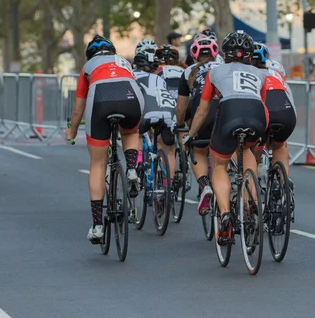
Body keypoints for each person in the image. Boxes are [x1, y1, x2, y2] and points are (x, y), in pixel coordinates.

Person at [183, 30, 269, 246]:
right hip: (256, 116)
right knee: (248, 152)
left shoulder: (215, 72)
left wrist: (191, 135)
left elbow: (203, 111)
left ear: (224, 53)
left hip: (229, 113)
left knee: (219, 164)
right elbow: (263, 105)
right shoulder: (261, 74)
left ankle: (225, 217)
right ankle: (253, 207)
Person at [65, 34, 144, 243]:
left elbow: (78, 107)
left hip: (100, 100)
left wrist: (71, 132)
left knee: (98, 164)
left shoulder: (88, 67)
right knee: (131, 132)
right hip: (130, 98)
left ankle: (98, 225)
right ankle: (132, 168)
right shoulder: (124, 62)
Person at [175, 35, 222, 214]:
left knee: (198, 152)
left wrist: (180, 125)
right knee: (227, 153)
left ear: (193, 55)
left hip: (202, 113)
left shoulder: (188, 72)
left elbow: (181, 107)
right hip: (225, 112)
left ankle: (205, 186)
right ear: (215, 53)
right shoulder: (224, 67)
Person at [251, 42, 297, 219]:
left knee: (252, 151)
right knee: (280, 146)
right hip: (286, 114)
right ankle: (284, 185)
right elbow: (290, 99)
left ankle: (253, 191)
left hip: (263, 113)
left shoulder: (246, 73)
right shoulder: (277, 73)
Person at [132, 38, 177, 192]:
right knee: (169, 149)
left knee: (135, 135)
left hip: (147, 112)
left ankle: (137, 165)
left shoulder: (133, 76)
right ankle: (168, 187)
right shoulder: (160, 78)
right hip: (168, 114)